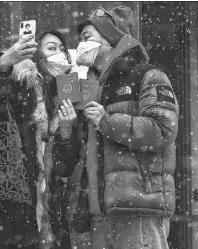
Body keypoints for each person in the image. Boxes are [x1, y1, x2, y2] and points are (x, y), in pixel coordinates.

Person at [61, 6, 179, 249]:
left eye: (87, 38)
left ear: (110, 39)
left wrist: (107, 121)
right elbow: (66, 155)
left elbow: (163, 129)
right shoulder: (87, 86)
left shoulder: (148, 76)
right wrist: (66, 124)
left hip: (138, 207)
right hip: (97, 211)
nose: (81, 45)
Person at [0, 29, 76, 249]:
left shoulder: (63, 98)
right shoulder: (20, 81)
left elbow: (64, 166)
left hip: (46, 208)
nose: (59, 54)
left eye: (63, 50)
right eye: (51, 48)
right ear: (36, 55)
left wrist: (67, 129)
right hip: (7, 200)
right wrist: (2, 63)